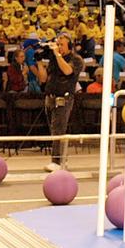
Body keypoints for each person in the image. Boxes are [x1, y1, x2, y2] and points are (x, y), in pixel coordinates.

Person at [36, 34, 79, 171]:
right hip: (50, 97)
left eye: (62, 45)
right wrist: (38, 63)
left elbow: (67, 71)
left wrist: (57, 54)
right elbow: (43, 79)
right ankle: (61, 159)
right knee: (54, 129)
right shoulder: (54, 59)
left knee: (59, 129)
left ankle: (57, 161)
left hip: (64, 98)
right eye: (58, 44)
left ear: (70, 47)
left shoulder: (76, 60)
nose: (59, 47)